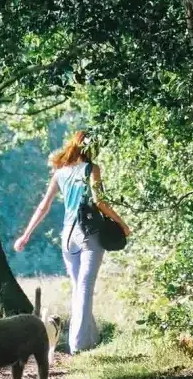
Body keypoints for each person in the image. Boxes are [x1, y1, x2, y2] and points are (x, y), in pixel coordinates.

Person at [13, 131, 130, 354]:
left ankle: (91, 338)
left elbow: (44, 206)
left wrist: (26, 234)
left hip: (67, 236)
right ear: (89, 149)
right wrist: (122, 224)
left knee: (79, 288)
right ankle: (77, 345)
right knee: (84, 288)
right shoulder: (92, 169)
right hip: (88, 234)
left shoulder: (60, 173)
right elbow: (100, 202)